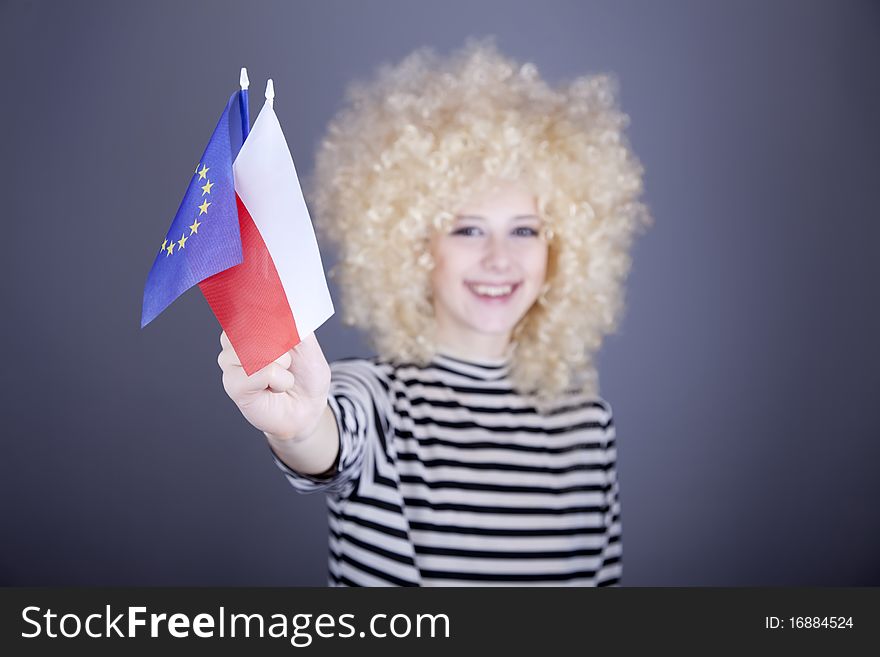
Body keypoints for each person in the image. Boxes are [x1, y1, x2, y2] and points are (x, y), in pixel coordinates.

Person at [217, 38, 651, 586]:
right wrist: (299, 427)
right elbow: (328, 440)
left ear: (559, 247)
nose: (499, 258)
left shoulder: (588, 425)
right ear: (416, 248)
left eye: (525, 230)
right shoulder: (375, 398)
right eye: (468, 229)